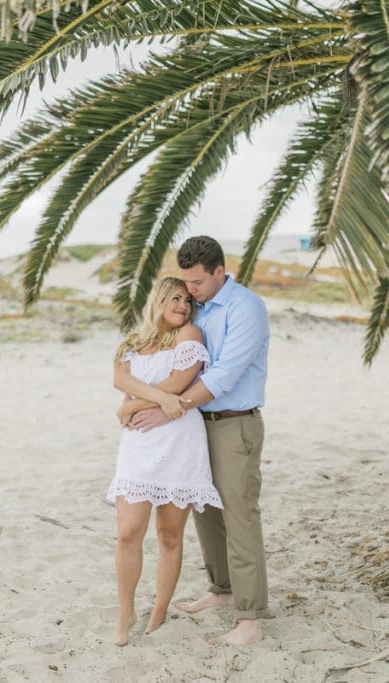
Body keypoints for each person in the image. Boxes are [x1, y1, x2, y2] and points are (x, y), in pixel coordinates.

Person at [127, 236, 270, 646]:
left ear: (219, 272)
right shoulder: (198, 307)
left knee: (240, 516)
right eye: (185, 284)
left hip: (233, 423)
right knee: (205, 510)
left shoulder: (246, 308)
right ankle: (223, 591)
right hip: (195, 423)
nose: (189, 292)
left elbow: (224, 374)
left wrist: (171, 405)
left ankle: (250, 618)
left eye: (197, 283)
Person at [108, 276, 223, 647]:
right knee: (128, 532)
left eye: (188, 301)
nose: (183, 306)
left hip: (179, 442)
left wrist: (132, 404)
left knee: (169, 535)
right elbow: (118, 378)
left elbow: (179, 383)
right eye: (175, 298)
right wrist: (142, 402)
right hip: (139, 445)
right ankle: (126, 610)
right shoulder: (132, 344)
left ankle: (159, 609)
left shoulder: (190, 335)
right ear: (158, 300)